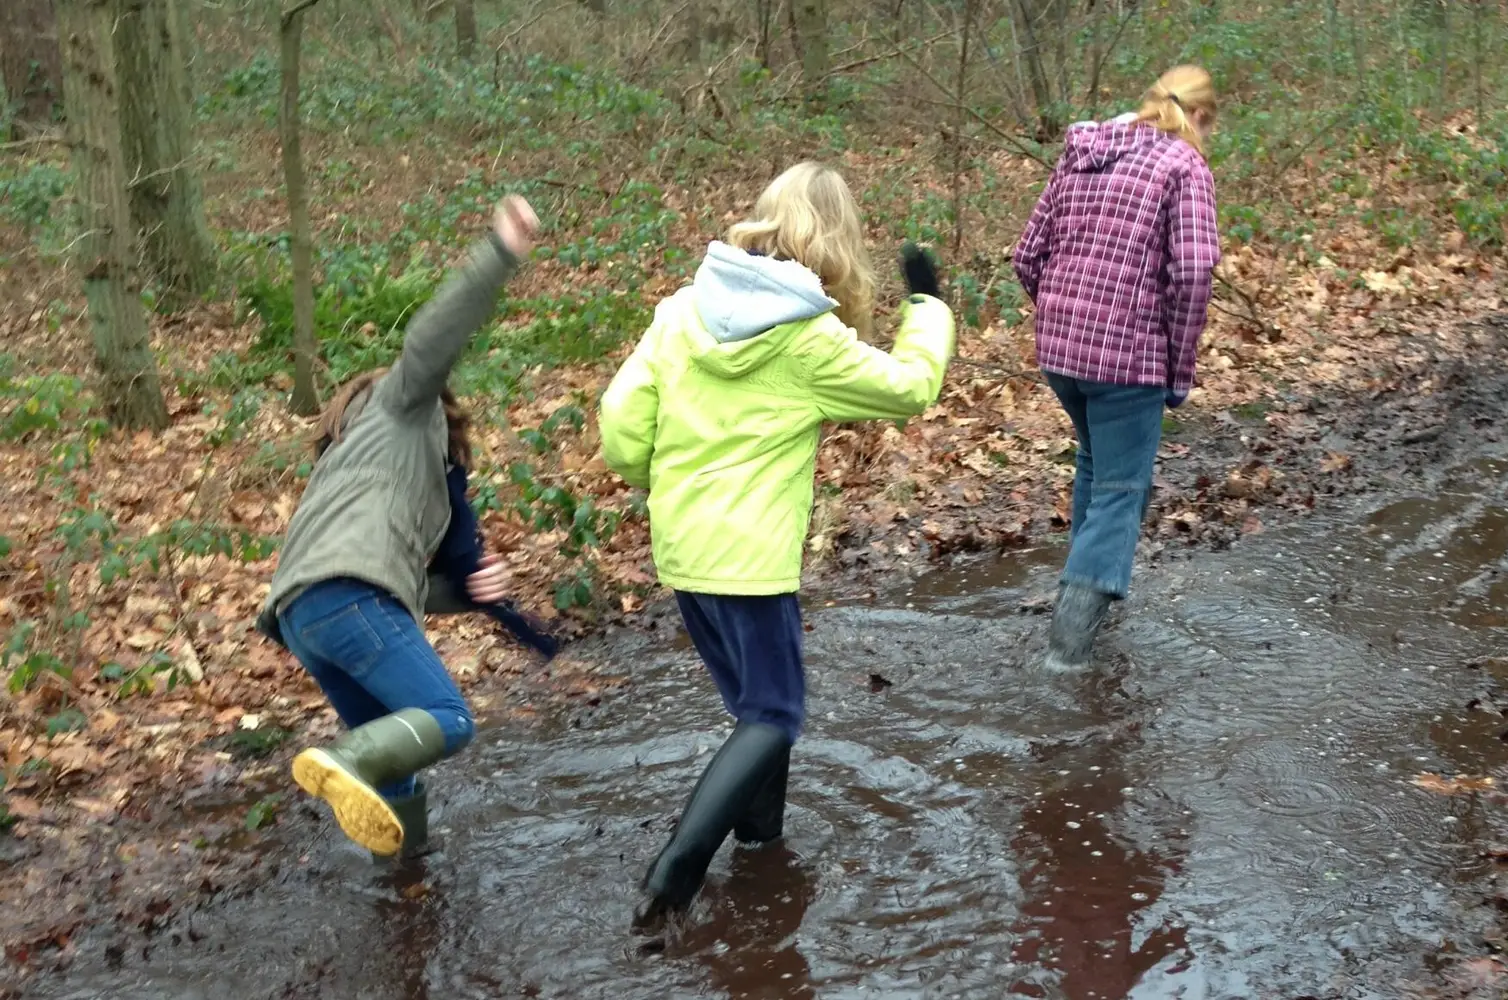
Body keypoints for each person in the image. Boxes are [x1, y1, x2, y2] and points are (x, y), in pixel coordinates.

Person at [600, 161, 957, 925]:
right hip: (751, 562)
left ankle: (762, 843)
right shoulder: (807, 340)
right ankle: (675, 873)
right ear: (836, 240)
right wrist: (926, 304)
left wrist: (657, 481)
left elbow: (620, 424)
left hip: (684, 549)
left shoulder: (681, 310)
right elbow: (910, 389)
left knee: (752, 711)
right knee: (774, 714)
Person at [256, 196, 553, 860]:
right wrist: (498, 253)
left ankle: (407, 884)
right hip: (344, 599)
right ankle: (348, 760)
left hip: (306, 618)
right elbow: (429, 342)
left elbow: (401, 586)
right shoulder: (400, 408)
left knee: (399, 767)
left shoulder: (351, 468)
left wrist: (471, 591)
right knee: (446, 719)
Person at [1013, 65, 1222, 672]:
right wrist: (1178, 370)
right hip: (1128, 360)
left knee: (1094, 466)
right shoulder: (1185, 167)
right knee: (1122, 489)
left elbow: (1028, 254)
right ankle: (1068, 649)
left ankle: (1084, 600)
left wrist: (1061, 312)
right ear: (1202, 117)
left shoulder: (1084, 152)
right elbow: (1191, 276)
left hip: (1060, 350)